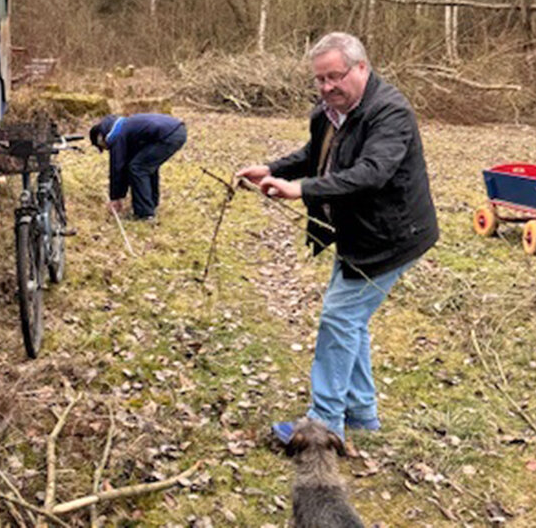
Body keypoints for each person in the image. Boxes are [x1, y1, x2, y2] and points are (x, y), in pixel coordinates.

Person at [236, 32, 439, 444]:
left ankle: (326, 422)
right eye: (320, 80)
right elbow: (316, 154)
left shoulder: (389, 113)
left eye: (335, 77)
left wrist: (304, 190)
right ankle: (361, 412)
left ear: (361, 68)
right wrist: (271, 168)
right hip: (356, 233)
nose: (327, 88)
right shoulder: (329, 111)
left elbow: (372, 172)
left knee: (340, 317)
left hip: (392, 236)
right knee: (350, 319)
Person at [90, 113, 187, 220]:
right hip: (176, 129)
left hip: (168, 135)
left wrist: (115, 198)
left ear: (100, 138)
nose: (106, 149)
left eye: (103, 147)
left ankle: (145, 214)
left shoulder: (115, 135)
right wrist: (120, 194)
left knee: (138, 168)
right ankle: (151, 204)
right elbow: (125, 164)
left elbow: (117, 168)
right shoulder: (124, 126)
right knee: (145, 165)